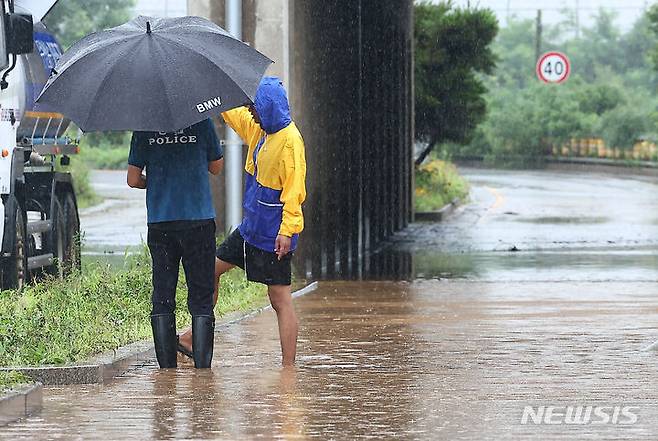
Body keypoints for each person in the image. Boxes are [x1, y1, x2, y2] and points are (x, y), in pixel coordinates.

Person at [178, 76, 306, 366]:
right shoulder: (258, 130)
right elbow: (235, 115)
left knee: (279, 299)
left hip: (274, 236)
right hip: (249, 231)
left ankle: (288, 369)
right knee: (209, 270)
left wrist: (287, 232)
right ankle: (194, 336)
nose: (250, 112)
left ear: (269, 107)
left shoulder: (290, 142)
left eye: (255, 107)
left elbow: (295, 193)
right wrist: (215, 93)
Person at [127, 119, 223, 369]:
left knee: (163, 295)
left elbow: (132, 179)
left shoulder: (144, 127)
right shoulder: (202, 121)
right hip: (198, 221)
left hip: (162, 223)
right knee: (202, 296)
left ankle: (167, 370)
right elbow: (216, 167)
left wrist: (155, 180)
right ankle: (203, 370)